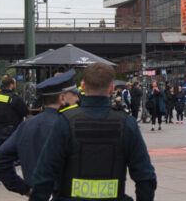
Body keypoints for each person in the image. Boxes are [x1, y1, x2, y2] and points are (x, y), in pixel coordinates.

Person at [28, 62, 157, 201]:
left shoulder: (65, 122)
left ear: (82, 86)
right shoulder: (126, 123)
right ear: (111, 88)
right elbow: (145, 177)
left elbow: (44, 175)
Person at [0, 70, 81, 196]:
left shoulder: (27, 125)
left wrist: (24, 189)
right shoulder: (70, 125)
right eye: (75, 94)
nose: (77, 98)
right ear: (62, 97)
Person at [0, 76, 29, 185]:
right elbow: (25, 111)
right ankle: (13, 178)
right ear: (12, 85)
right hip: (11, 130)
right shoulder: (15, 98)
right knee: (14, 155)